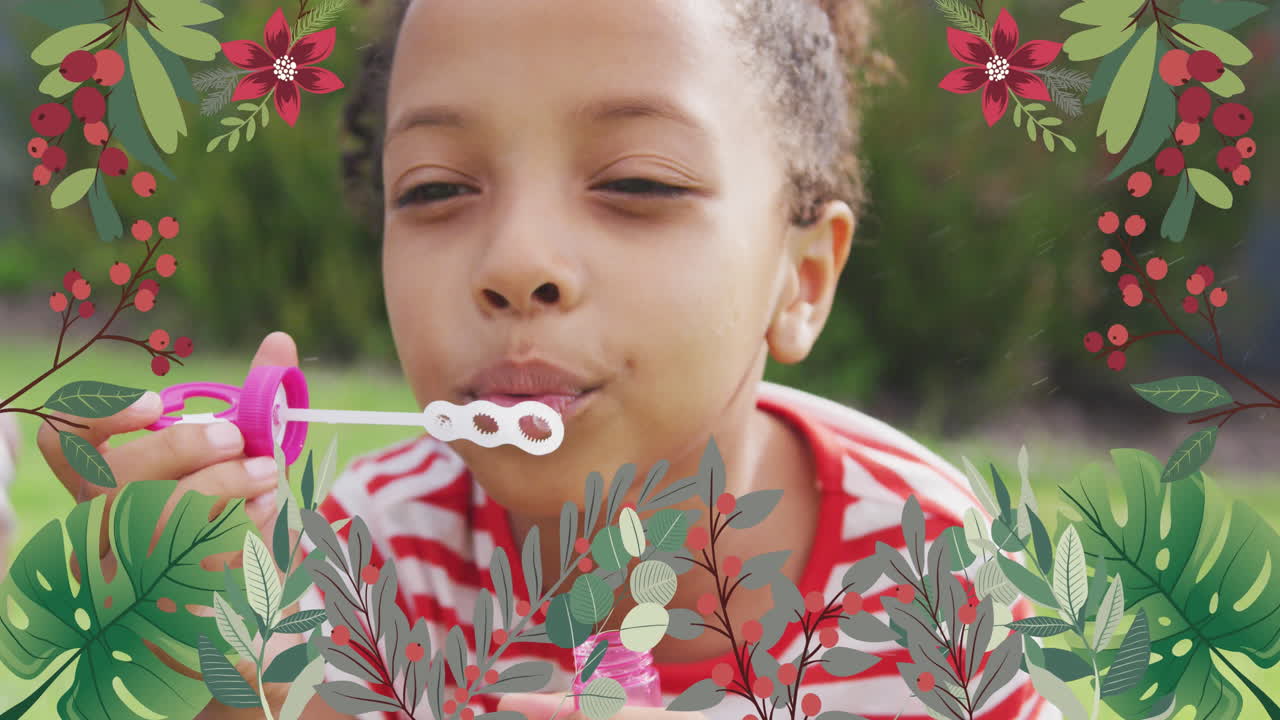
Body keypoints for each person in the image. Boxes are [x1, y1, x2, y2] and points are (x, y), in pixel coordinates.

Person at [42, 1, 1052, 718]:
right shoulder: (371, 562)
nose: (516, 263)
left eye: (638, 183)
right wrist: (207, 653)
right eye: (436, 190)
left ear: (802, 279)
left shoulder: (936, 577)